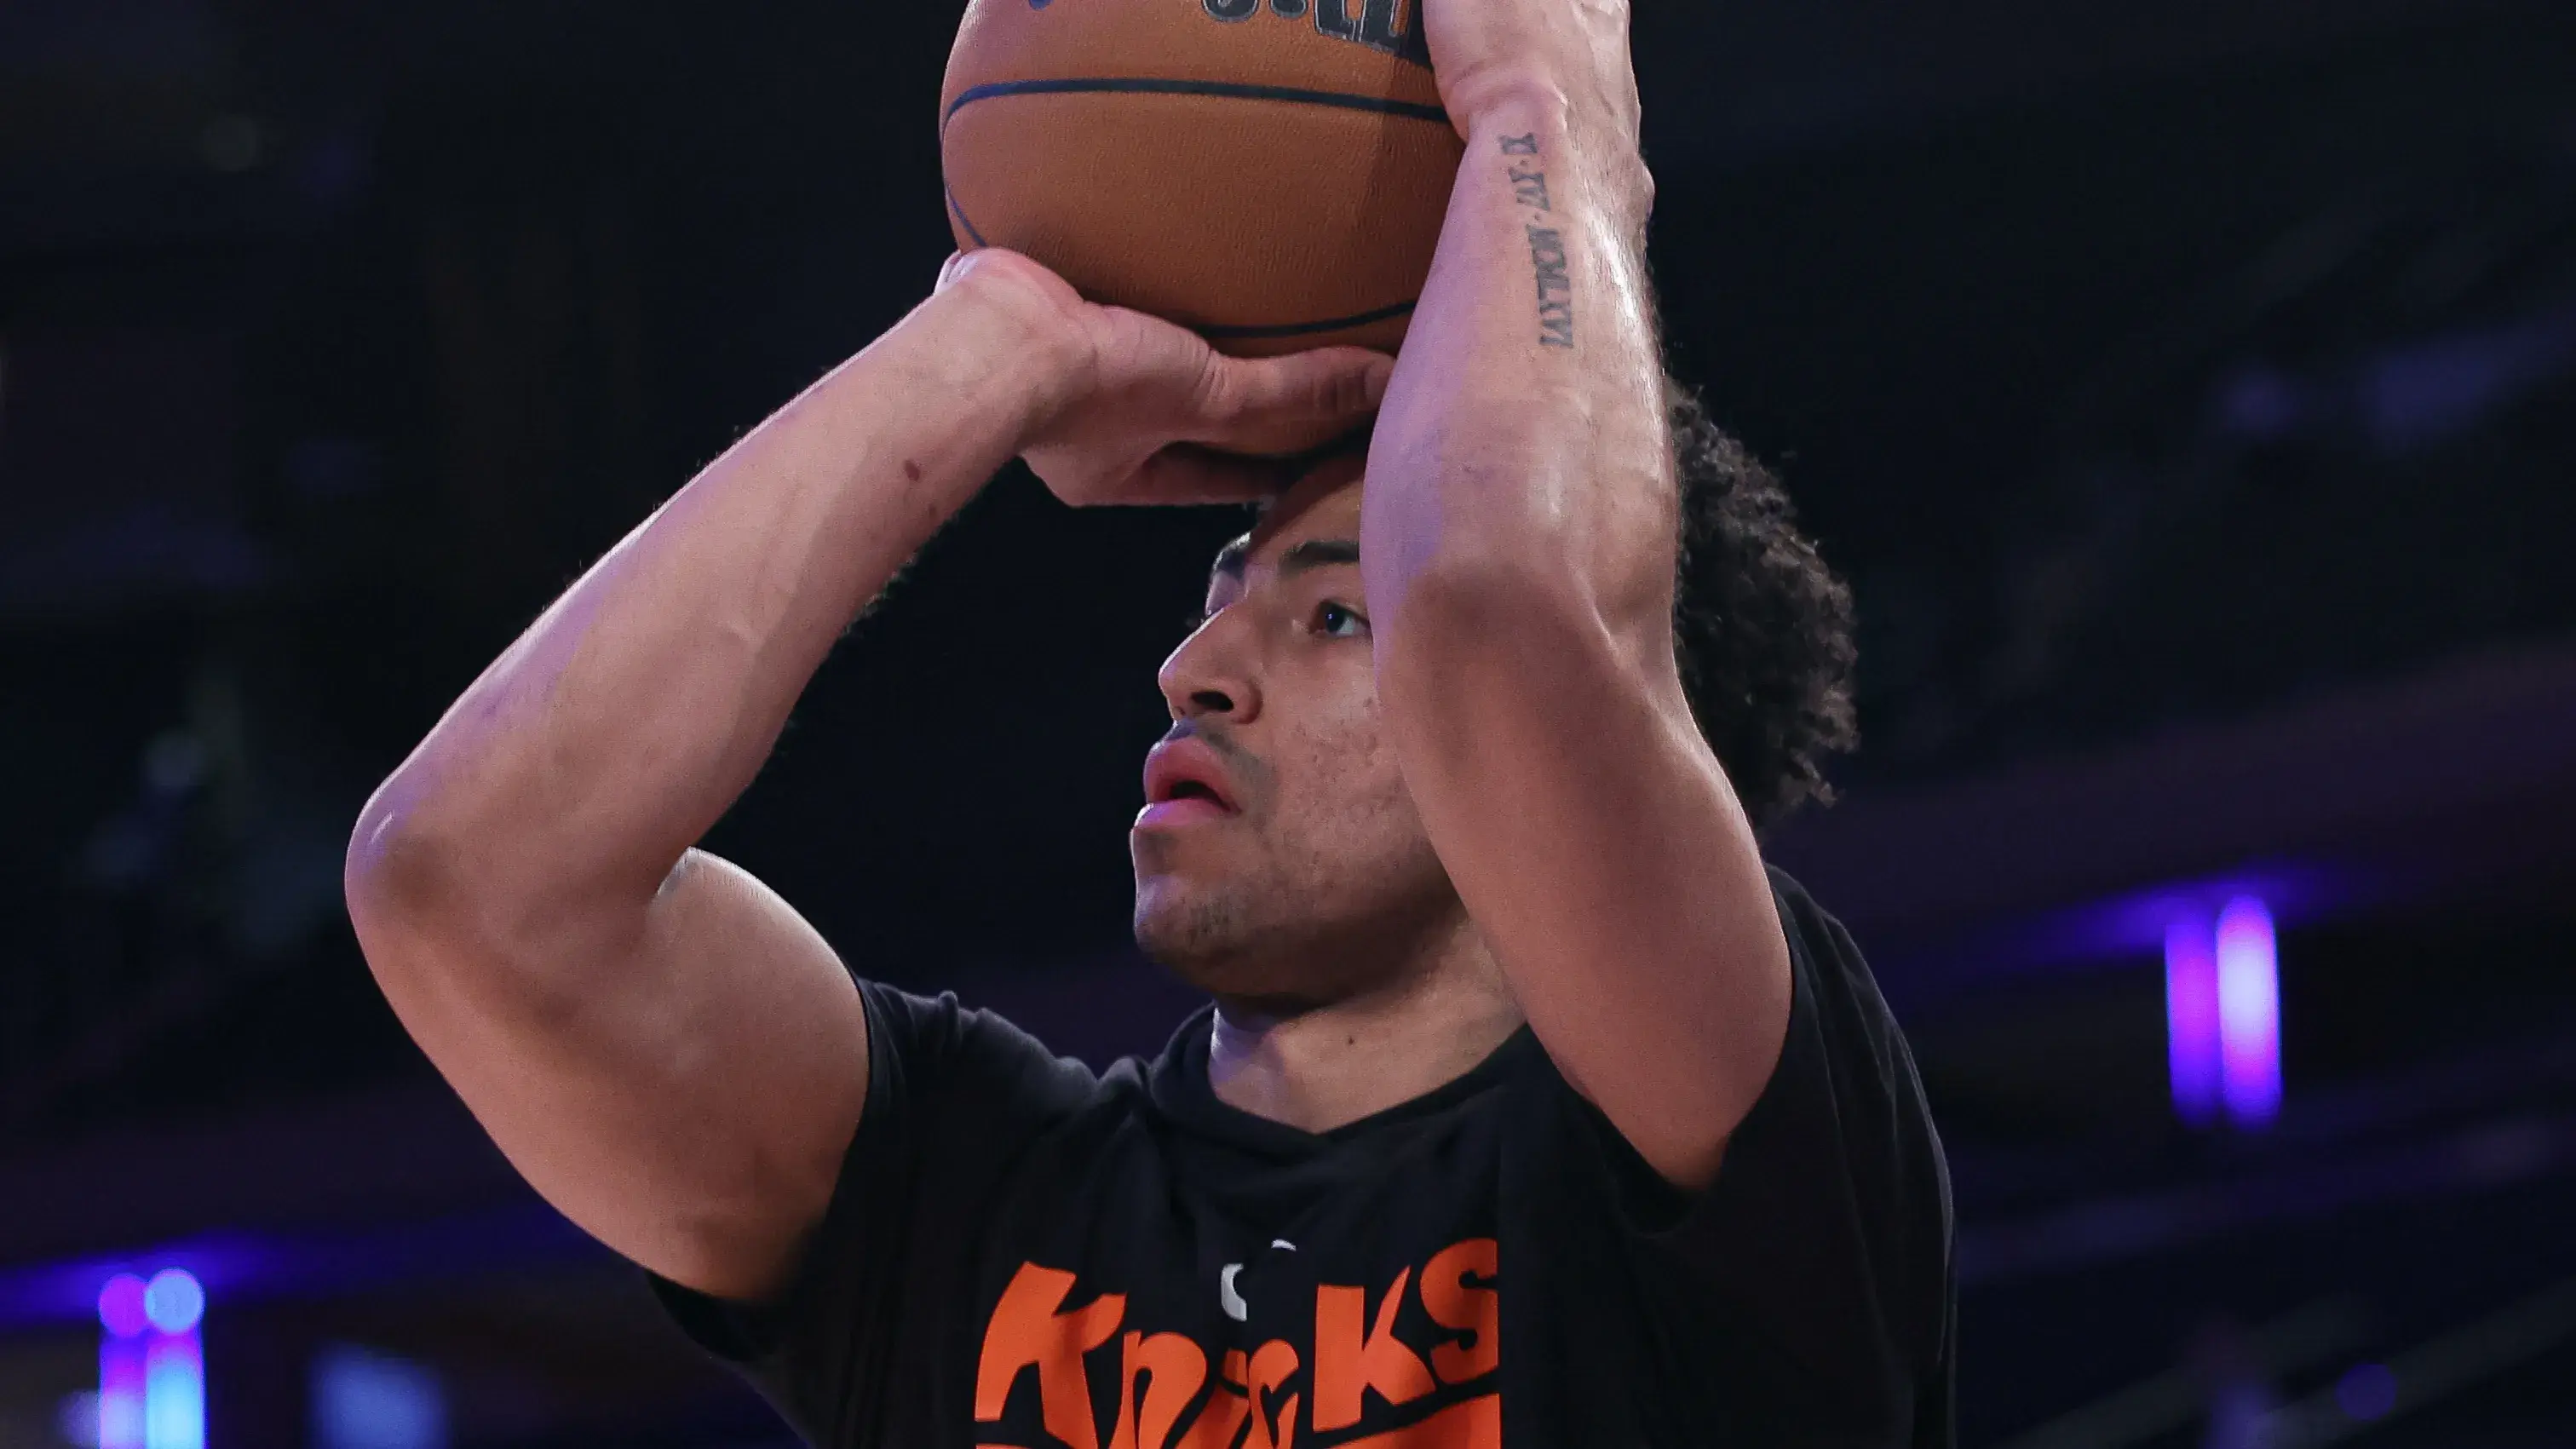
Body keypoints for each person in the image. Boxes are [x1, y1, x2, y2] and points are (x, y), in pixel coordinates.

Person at [342, 0, 1954, 1443]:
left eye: (1331, 616)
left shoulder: (1728, 1144)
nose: (1197, 665)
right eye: (1218, 588)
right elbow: (469, 879)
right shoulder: (971, 1205)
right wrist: (1001, 336)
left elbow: (1505, 612)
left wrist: (1552, 117)